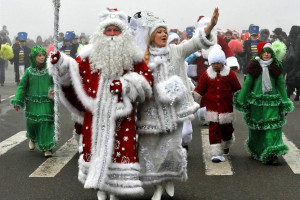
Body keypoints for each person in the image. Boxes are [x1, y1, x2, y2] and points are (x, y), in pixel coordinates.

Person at [48, 9, 153, 200]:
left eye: (116, 30)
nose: (112, 34)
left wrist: (126, 85)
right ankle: (101, 190)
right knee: (96, 152)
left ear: (123, 33)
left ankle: (114, 191)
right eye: (108, 30)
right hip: (95, 117)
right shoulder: (88, 57)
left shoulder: (134, 57)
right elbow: (72, 75)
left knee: (117, 153)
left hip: (121, 117)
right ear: (101, 33)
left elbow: (146, 82)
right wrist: (60, 63)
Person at [134, 8, 218, 200]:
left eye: (165, 31)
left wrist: (210, 26)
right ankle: (157, 186)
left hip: (173, 111)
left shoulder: (177, 51)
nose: (164, 34)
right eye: (159, 31)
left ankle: (169, 178)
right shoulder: (142, 58)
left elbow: (196, 42)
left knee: (171, 149)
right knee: (150, 151)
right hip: (150, 113)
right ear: (151, 36)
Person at [234, 42, 294, 164]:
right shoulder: (254, 65)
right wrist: (241, 99)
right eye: (264, 52)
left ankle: (273, 153)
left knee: (273, 127)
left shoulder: (276, 66)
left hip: (272, 102)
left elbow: (281, 86)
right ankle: (257, 149)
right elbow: (247, 84)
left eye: (269, 52)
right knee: (257, 127)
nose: (266, 54)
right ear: (260, 53)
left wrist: (285, 101)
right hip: (256, 102)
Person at [194, 47, 241, 162]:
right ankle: (216, 153)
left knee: (227, 131)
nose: (216, 65)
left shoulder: (230, 74)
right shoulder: (206, 75)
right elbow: (199, 89)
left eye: (218, 63)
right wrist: (193, 100)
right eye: (213, 63)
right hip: (212, 110)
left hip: (226, 110)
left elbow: (237, 89)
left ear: (223, 62)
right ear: (210, 63)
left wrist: (241, 100)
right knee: (214, 131)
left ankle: (226, 143)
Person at [11, 46, 55, 157]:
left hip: (46, 102)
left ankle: (47, 147)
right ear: (34, 57)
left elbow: (55, 83)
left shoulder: (50, 70)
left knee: (45, 122)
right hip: (32, 103)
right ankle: (32, 138)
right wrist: (17, 101)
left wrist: (53, 89)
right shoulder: (29, 71)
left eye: (43, 55)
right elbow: (22, 87)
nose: (42, 57)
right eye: (39, 55)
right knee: (33, 123)